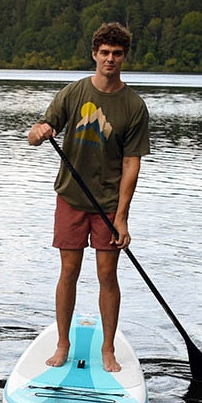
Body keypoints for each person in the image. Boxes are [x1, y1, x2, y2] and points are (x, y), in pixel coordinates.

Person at [28, 22, 150, 373]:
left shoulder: (133, 106)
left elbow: (132, 164)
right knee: (68, 271)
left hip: (108, 203)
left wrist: (122, 216)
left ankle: (108, 348)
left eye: (117, 53)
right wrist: (40, 132)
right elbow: (36, 133)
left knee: (106, 274)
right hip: (71, 196)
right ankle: (63, 343)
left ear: (124, 57)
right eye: (104, 53)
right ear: (94, 54)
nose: (110, 59)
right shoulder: (74, 93)